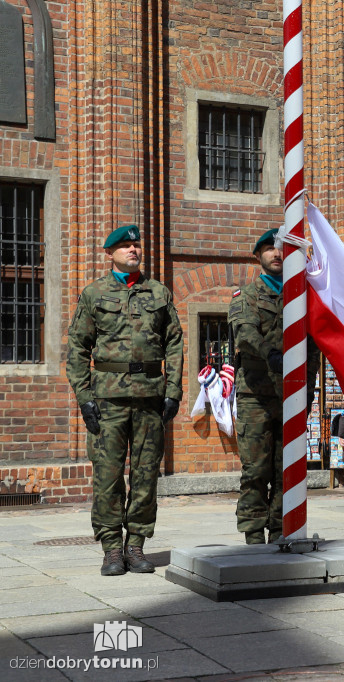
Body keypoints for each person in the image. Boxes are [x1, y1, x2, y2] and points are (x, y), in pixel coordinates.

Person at [67, 224, 183, 575]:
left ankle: (136, 546)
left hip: (149, 398)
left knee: (146, 475)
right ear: (110, 253)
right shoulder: (94, 293)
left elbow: (175, 343)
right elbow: (76, 348)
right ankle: (111, 549)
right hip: (108, 400)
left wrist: (173, 390)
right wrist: (85, 397)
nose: (134, 250)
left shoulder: (159, 293)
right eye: (126, 246)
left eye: (136, 245)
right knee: (108, 476)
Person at [229, 228, 319, 544]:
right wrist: (271, 354)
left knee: (287, 468)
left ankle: (281, 528)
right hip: (256, 394)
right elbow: (245, 334)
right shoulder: (247, 296)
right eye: (269, 249)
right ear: (258, 256)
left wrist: (308, 389)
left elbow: (313, 347)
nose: (276, 253)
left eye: (280, 248)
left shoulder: (303, 296)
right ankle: (253, 534)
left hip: (292, 396)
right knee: (256, 470)